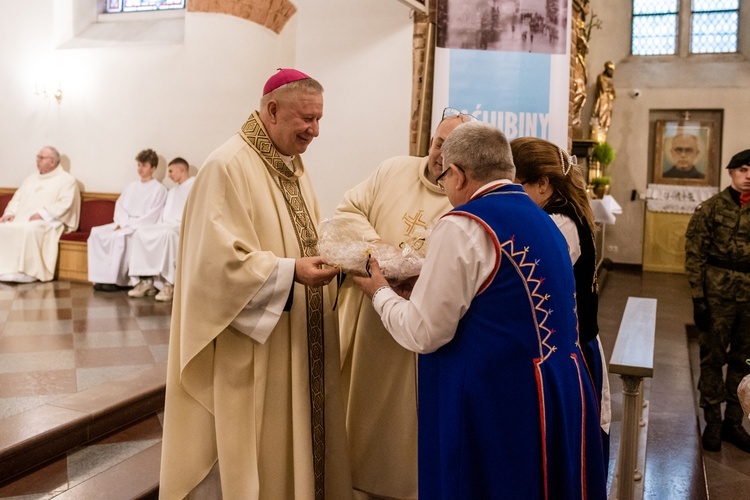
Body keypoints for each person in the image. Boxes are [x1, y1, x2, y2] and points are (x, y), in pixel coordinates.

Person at [352, 122, 607, 498]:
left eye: (443, 181)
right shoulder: (546, 218)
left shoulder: (464, 225)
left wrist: (380, 292)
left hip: (496, 400)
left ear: (457, 174)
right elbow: (502, 296)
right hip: (554, 390)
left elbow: (423, 333)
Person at [159, 68, 352, 499]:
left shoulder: (292, 165)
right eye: (307, 119)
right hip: (251, 350)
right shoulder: (226, 166)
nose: (315, 131)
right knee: (258, 456)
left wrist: (341, 256)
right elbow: (215, 268)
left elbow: (304, 236)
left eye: (320, 119)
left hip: (298, 338)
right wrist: (290, 273)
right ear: (271, 110)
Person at [335, 108, 468, 500]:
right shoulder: (393, 170)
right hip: (367, 318)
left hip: (415, 327)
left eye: (450, 149)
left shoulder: (464, 197)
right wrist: (379, 251)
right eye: (437, 142)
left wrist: (415, 273)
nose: (439, 155)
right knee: (357, 414)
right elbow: (348, 211)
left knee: (402, 432)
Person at [511, 136, 611, 464]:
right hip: (567, 346)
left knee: (566, 450)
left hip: (571, 351)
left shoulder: (559, 223)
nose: (509, 196)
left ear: (543, 184)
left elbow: (524, 288)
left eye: (515, 186)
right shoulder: (553, 215)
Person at [685, 148, 750, 453]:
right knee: (713, 359)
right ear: (731, 172)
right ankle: (712, 421)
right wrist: (699, 299)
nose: (748, 176)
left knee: (744, 360)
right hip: (718, 296)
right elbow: (695, 256)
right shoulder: (710, 209)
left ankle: (733, 422)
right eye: (743, 170)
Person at [87, 149, 167, 291]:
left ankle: (117, 280)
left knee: (119, 237)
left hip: (139, 226)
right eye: (139, 165)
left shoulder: (159, 189)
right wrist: (121, 223)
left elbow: (153, 214)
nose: (140, 169)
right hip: (123, 223)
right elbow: (120, 206)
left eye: (144, 165)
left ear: (153, 168)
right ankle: (99, 278)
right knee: (96, 233)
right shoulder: (131, 186)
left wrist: (128, 226)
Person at [0, 146, 80, 283]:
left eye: (41, 158)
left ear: (53, 162)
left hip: (49, 221)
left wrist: (43, 214)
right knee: (3, 226)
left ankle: (29, 271)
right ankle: (5, 268)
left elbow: (65, 203)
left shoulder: (67, 180)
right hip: (23, 218)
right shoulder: (31, 178)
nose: (37, 161)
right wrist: (9, 212)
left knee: (30, 229)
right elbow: (17, 198)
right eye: (37, 157)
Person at [127, 157, 195, 301]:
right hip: (167, 225)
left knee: (169, 235)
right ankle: (146, 281)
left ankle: (170, 284)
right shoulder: (172, 191)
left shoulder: (195, 186)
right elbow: (164, 217)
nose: (168, 175)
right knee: (140, 232)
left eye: (171, 171)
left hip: (183, 227)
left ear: (181, 169)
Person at [593, 60, 616, 137]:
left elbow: (613, 93)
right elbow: (603, 88)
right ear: (607, 69)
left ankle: (603, 134)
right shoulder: (601, 77)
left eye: (612, 70)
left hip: (608, 101)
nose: (612, 72)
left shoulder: (611, 80)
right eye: (610, 70)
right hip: (602, 99)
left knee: (607, 118)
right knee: (600, 116)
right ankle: (598, 134)